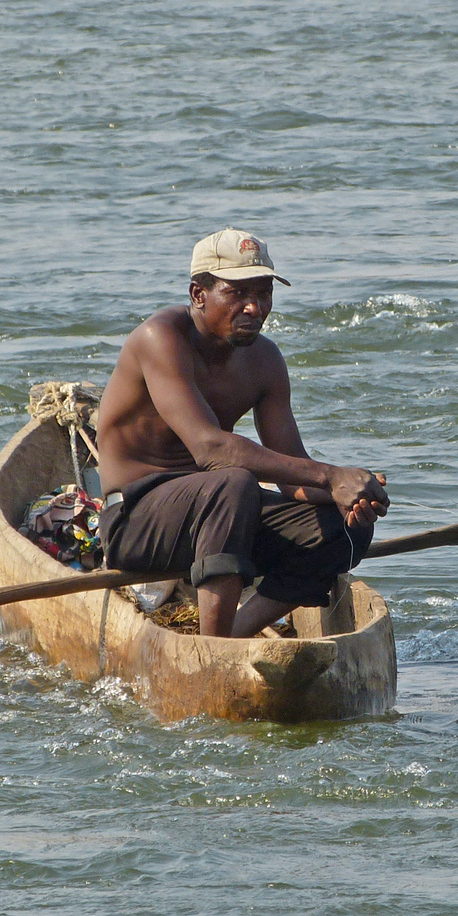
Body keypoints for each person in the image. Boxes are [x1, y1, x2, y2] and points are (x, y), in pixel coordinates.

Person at [93, 228, 390, 637]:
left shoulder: (265, 359)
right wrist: (329, 474)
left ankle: (233, 635)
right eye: (237, 293)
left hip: (220, 517)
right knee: (233, 482)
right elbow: (210, 448)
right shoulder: (160, 337)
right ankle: (212, 654)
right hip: (136, 522)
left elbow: (292, 480)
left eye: (264, 293)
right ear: (199, 294)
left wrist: (351, 493)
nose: (255, 307)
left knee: (340, 529)